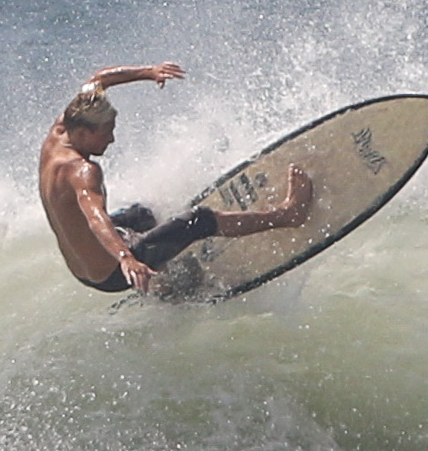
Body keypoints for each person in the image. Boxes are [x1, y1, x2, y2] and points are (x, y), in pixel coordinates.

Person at [39, 62, 313, 294]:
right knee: (199, 219)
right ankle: (288, 214)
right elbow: (95, 216)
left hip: (82, 269)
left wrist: (149, 72)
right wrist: (126, 258)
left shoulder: (61, 130)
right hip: (112, 274)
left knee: (143, 216)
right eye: (106, 131)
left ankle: (167, 281)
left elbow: (99, 79)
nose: (112, 138)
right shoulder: (83, 171)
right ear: (85, 132)